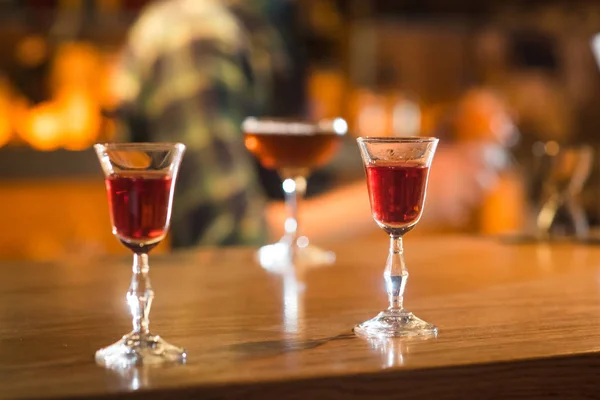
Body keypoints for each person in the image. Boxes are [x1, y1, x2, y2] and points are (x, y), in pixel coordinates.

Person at [109, 0, 502, 248]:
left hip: (262, 317)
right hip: (213, 332)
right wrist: (405, 196)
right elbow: (223, 234)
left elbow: (299, 177)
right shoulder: (193, 34)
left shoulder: (263, 31)